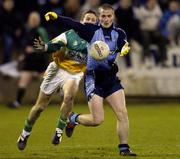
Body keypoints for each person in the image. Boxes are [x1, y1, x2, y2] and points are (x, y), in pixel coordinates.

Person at [45, 3, 136, 156]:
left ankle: (124, 148)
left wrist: (125, 47)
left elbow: (122, 44)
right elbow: (72, 23)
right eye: (103, 16)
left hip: (110, 78)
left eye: (109, 16)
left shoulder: (119, 33)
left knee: (122, 113)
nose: (106, 19)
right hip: (93, 78)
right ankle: (73, 118)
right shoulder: (91, 30)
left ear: (113, 17)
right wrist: (56, 17)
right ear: (99, 17)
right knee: (97, 120)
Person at [17, 10, 98, 150]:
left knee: (69, 96)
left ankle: (59, 131)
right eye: (87, 18)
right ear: (81, 21)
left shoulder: (97, 42)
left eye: (92, 20)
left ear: (95, 24)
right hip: (57, 69)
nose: (89, 21)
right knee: (39, 108)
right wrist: (45, 47)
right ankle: (25, 134)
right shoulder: (70, 34)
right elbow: (55, 44)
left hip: (75, 73)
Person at [9, 11, 49, 108]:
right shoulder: (28, 31)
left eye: (35, 19)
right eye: (32, 19)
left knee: (48, 83)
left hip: (40, 61)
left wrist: (34, 50)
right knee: (23, 81)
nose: (33, 21)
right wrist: (23, 55)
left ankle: (63, 99)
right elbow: (27, 47)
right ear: (29, 20)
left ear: (38, 20)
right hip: (30, 61)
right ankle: (17, 102)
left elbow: (47, 46)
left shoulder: (41, 30)